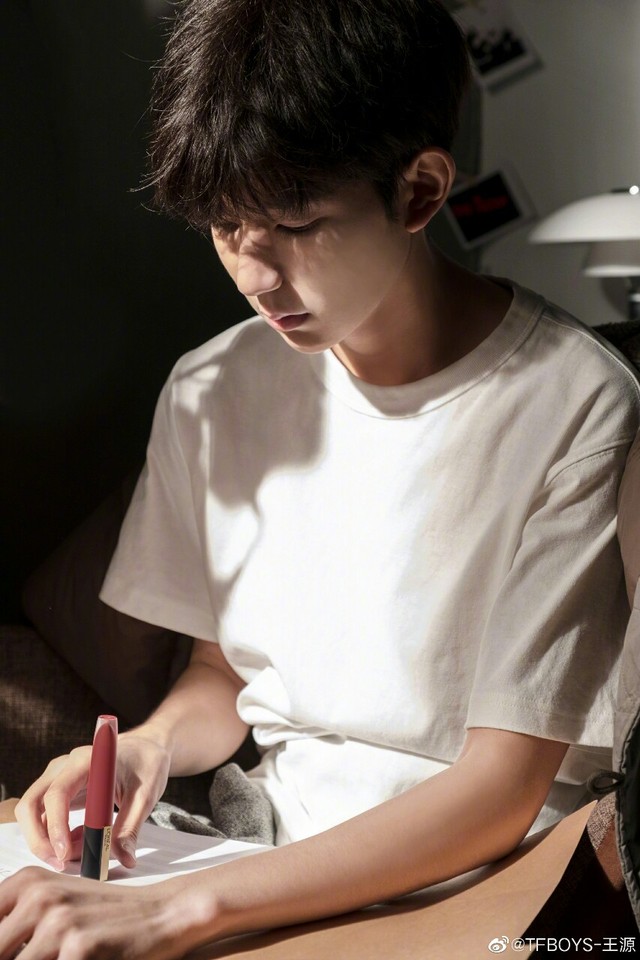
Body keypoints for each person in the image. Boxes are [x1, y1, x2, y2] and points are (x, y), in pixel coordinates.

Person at [3, 0, 640, 955]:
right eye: (225, 226)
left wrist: (179, 911)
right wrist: (147, 746)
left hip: (485, 886)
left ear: (419, 192)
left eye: (294, 223)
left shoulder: (577, 405)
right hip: (259, 847)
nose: (255, 274)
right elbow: (223, 675)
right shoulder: (212, 390)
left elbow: (500, 790)